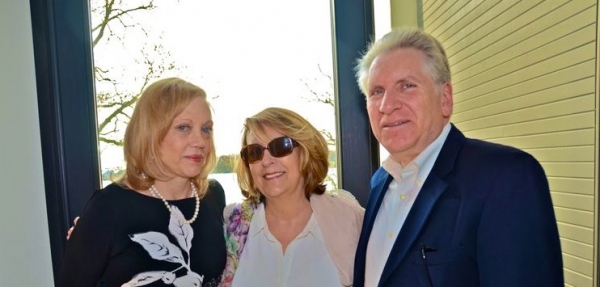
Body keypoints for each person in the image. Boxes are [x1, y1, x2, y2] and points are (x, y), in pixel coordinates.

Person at [352, 28, 563, 287]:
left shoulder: (505, 178)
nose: (387, 105)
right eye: (377, 92)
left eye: (406, 86)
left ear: (445, 99)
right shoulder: (379, 182)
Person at [59, 77, 226, 287]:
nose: (200, 141)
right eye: (183, 127)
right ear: (151, 133)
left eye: (206, 129)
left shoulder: (213, 196)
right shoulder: (109, 207)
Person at [218, 107, 364, 287]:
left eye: (280, 147)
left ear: (305, 151)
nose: (266, 161)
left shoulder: (349, 219)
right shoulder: (233, 224)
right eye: (255, 152)